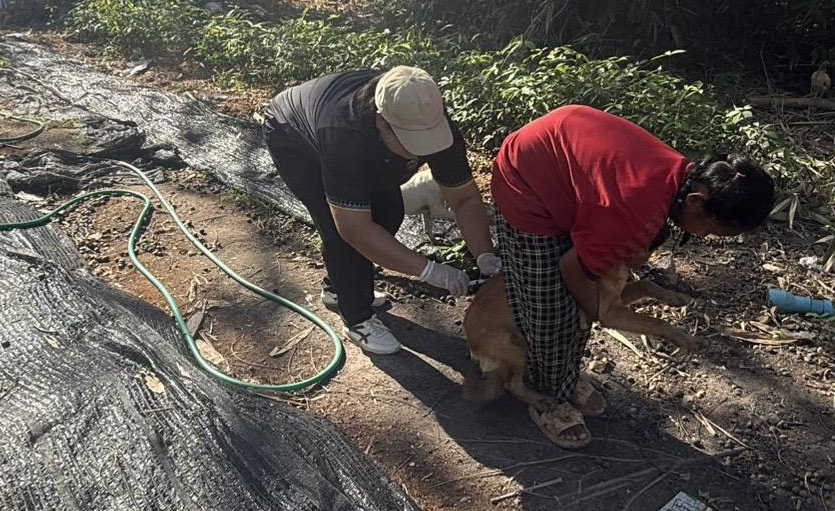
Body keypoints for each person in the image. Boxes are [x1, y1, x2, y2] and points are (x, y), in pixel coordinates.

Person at [490, 105, 775, 446]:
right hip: (524, 180)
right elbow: (573, 271)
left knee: (579, 307)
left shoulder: (678, 177)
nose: (704, 237)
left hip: (560, 167)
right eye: (711, 231)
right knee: (553, 313)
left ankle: (563, 375)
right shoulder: (636, 214)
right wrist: (597, 312)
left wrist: (597, 305)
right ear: (697, 201)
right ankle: (546, 396)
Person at [264, 66, 501, 354]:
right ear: (381, 121)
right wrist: (429, 271)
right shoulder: (344, 133)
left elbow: (464, 199)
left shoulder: (428, 118)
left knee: (389, 214)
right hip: (294, 139)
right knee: (339, 235)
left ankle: (339, 286)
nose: (420, 153)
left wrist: (484, 254)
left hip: (364, 148)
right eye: (410, 142)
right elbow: (353, 229)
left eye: (427, 141)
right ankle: (356, 317)